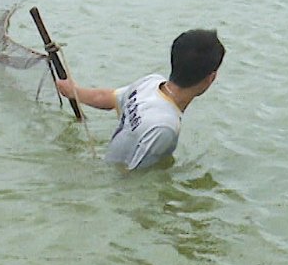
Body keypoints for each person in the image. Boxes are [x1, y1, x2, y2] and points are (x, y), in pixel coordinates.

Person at [54, 29, 224, 171]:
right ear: (211, 77)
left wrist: (74, 91)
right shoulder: (165, 128)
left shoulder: (150, 82)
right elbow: (132, 176)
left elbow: (106, 98)